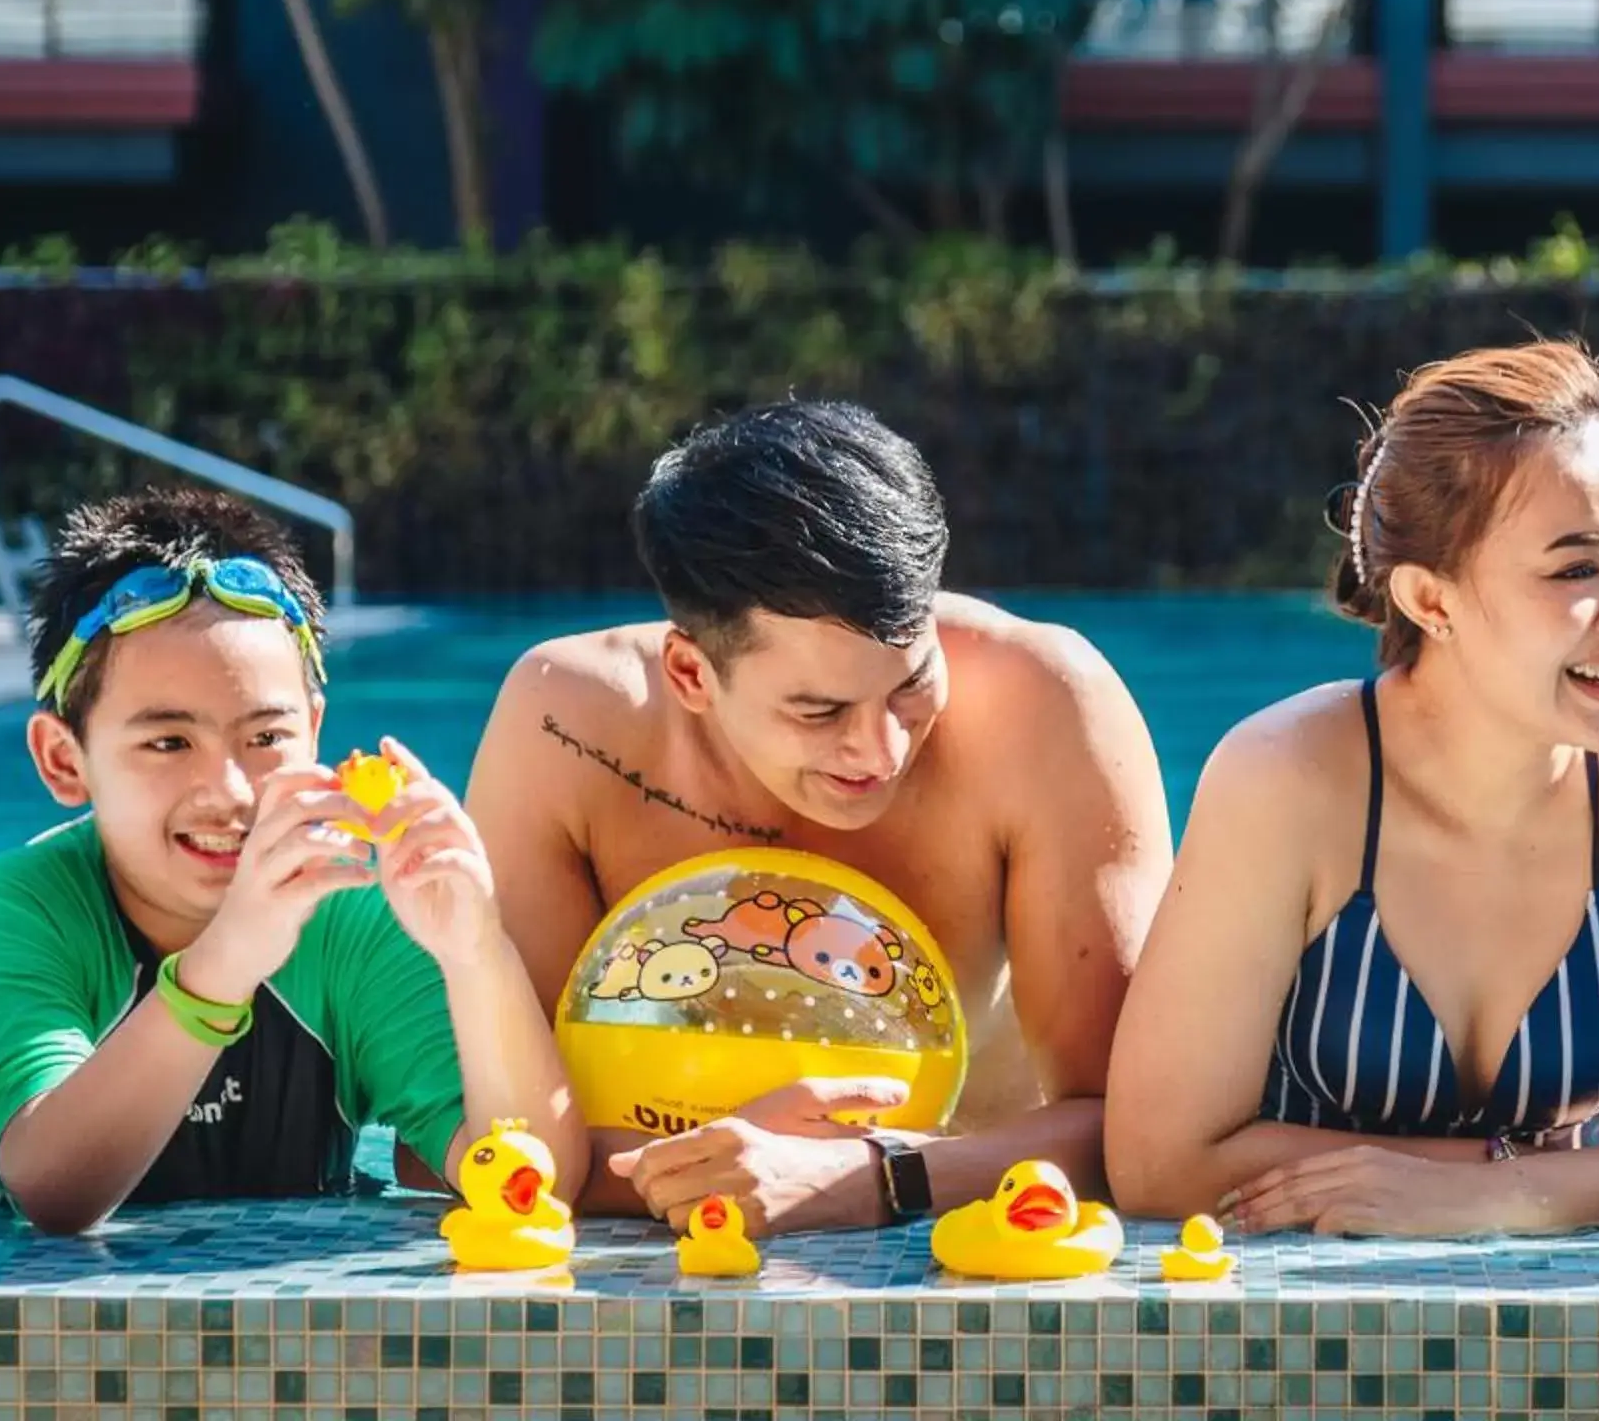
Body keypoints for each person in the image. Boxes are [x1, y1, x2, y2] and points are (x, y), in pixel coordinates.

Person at [1104, 339, 1599, 1236]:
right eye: (1576, 569)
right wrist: (1518, 1179)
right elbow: (1156, 1163)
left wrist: (1496, 1195)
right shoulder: (1290, 779)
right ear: (1430, 601)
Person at [464, 400, 1174, 1231]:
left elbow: (1138, 1127)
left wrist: (872, 1178)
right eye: (819, 713)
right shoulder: (566, 727)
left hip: (950, 1235)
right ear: (691, 675)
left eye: (912, 684)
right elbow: (490, 1129)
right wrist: (730, 1171)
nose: (880, 751)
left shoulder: (1045, 707)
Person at [0, 488, 576, 1233]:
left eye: (266, 738)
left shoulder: (357, 918)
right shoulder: (25, 905)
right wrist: (230, 956)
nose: (230, 791)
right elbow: (52, 1194)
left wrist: (477, 953)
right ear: (64, 760)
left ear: (314, 731)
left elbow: (537, 1184)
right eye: (168, 743)